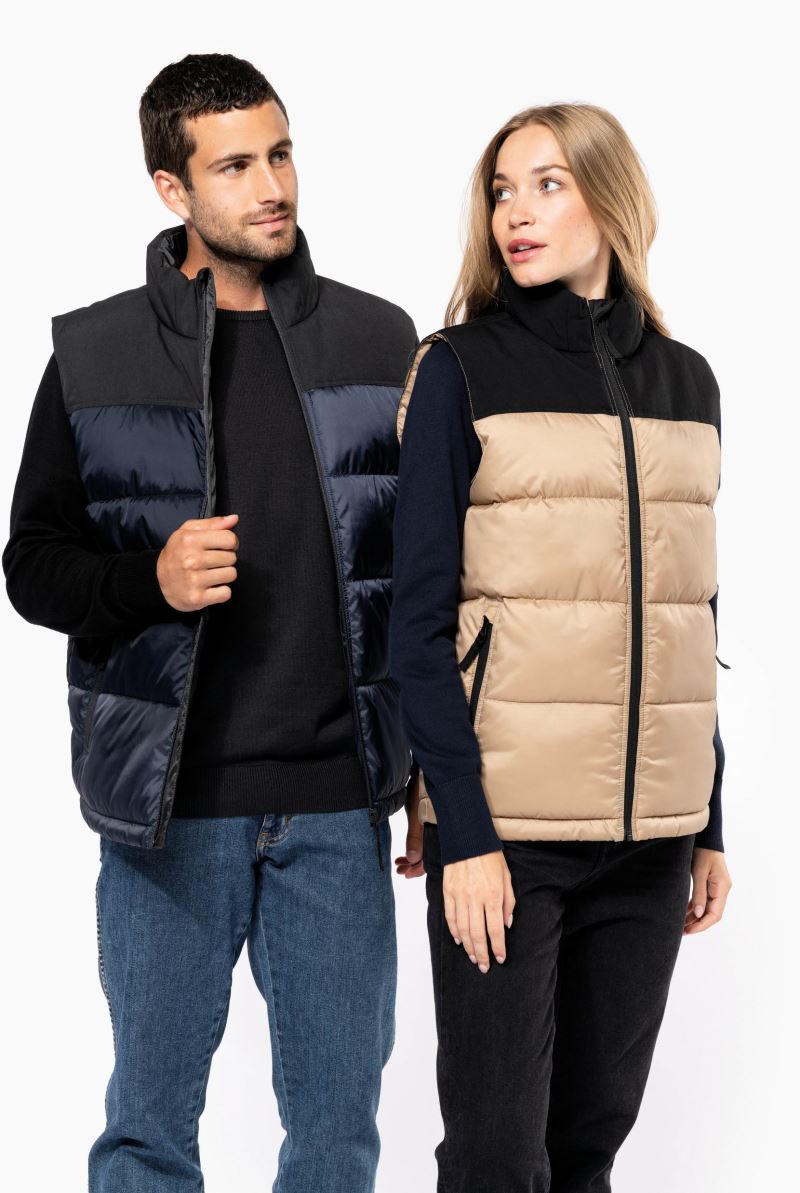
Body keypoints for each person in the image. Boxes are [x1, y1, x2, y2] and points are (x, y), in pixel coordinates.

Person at [3, 53, 419, 1193]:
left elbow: (429, 580)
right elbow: (31, 566)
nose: (271, 185)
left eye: (279, 154)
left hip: (337, 806)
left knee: (337, 1137)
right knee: (147, 1132)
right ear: (171, 187)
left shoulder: (380, 341)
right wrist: (150, 578)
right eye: (234, 166)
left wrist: (428, 776)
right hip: (169, 812)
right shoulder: (93, 353)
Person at [389, 102, 733, 1192]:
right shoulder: (459, 367)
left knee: (587, 1148)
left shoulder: (687, 381)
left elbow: (690, 613)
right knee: (496, 1154)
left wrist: (708, 822)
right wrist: (462, 830)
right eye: (501, 190)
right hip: (508, 830)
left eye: (546, 184)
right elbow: (417, 622)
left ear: (610, 199)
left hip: (652, 837)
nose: (516, 213)